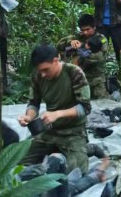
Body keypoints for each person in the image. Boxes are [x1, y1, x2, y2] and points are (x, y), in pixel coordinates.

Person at [18, 44, 91, 174]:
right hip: (49, 131)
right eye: (40, 70)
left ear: (56, 60)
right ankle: (55, 153)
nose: (43, 74)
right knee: (16, 160)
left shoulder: (74, 73)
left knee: (78, 172)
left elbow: (85, 108)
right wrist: (28, 117)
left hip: (73, 131)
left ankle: (89, 148)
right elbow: (34, 103)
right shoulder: (38, 75)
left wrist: (58, 114)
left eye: (46, 69)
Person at [58, 14, 109, 99]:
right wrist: (70, 42)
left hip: (96, 80)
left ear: (94, 27)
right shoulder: (78, 37)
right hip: (78, 79)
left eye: (88, 29)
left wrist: (82, 49)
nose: (85, 32)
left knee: (103, 104)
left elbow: (100, 57)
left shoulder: (101, 39)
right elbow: (59, 45)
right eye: (83, 30)